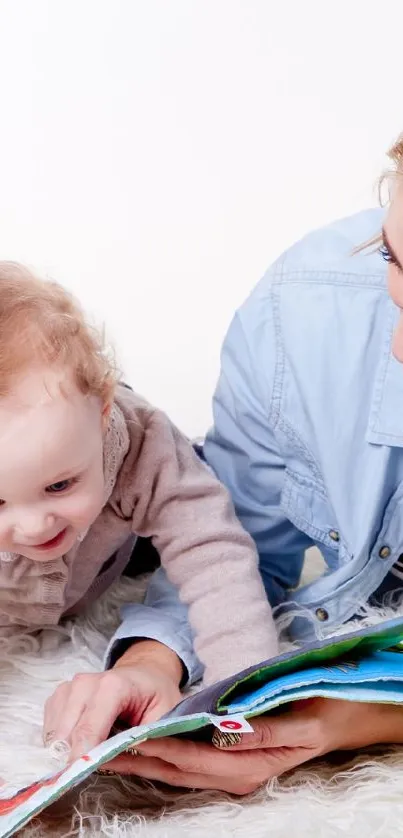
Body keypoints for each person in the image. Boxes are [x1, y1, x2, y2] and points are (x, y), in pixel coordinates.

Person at [45, 132, 403, 792]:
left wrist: (364, 719)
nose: (398, 344)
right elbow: (230, 535)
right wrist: (154, 664)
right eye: (395, 261)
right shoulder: (303, 312)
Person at [0, 261, 279, 747]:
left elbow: (211, 553)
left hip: (113, 544)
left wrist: (245, 690)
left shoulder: (137, 438)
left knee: (197, 492)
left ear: (103, 411)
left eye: (60, 484)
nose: (32, 525)